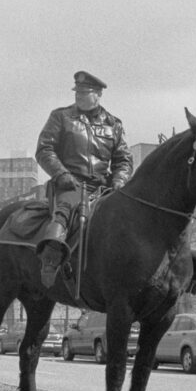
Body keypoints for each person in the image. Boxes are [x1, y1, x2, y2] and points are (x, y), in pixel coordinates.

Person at [34, 70, 133, 287]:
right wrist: (61, 174)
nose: (78, 95)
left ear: (98, 94)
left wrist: (119, 181)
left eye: (84, 92)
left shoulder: (113, 124)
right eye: (77, 91)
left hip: (103, 186)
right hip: (70, 182)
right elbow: (44, 149)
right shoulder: (61, 116)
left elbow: (123, 160)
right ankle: (50, 258)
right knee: (66, 208)